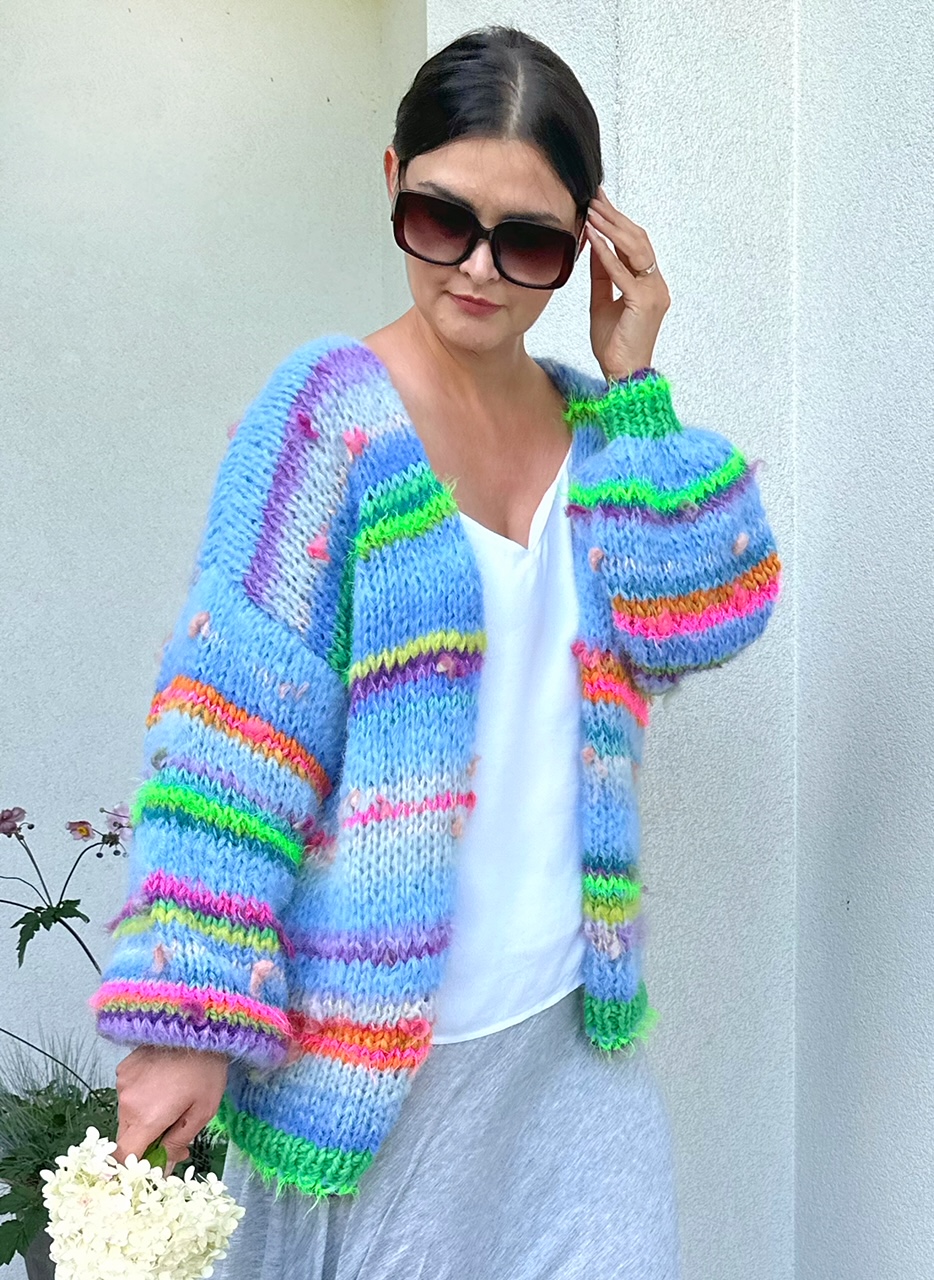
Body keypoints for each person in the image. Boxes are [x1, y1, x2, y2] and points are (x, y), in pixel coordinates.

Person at [89, 25, 781, 1280]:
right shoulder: (326, 418)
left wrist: (635, 382)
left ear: (585, 245)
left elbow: (707, 613)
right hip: (368, 1067)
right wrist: (187, 1017)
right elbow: (234, 737)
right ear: (392, 178)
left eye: (527, 241)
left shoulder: (596, 429)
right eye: (440, 217)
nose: (475, 267)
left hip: (571, 1051)